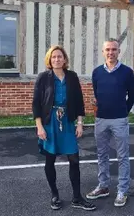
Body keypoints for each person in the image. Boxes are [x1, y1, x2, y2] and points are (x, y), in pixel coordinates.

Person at [32, 45, 96, 211]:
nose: (56, 59)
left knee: (74, 159)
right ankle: (54, 195)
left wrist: (80, 123)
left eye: (59, 56)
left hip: (67, 121)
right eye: (53, 57)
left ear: (65, 59)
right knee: (50, 159)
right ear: (49, 59)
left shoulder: (72, 77)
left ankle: (77, 197)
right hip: (49, 122)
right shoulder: (43, 78)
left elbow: (79, 101)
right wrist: (39, 127)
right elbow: (36, 104)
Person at [86, 38, 134, 207]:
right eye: (107, 49)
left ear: (118, 51)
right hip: (101, 120)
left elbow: (133, 96)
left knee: (122, 156)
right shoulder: (97, 72)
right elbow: (97, 94)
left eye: (114, 49)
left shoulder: (127, 72)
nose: (110, 52)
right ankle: (103, 186)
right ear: (103, 52)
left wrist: (122, 111)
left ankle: (122, 190)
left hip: (119, 120)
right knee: (102, 155)